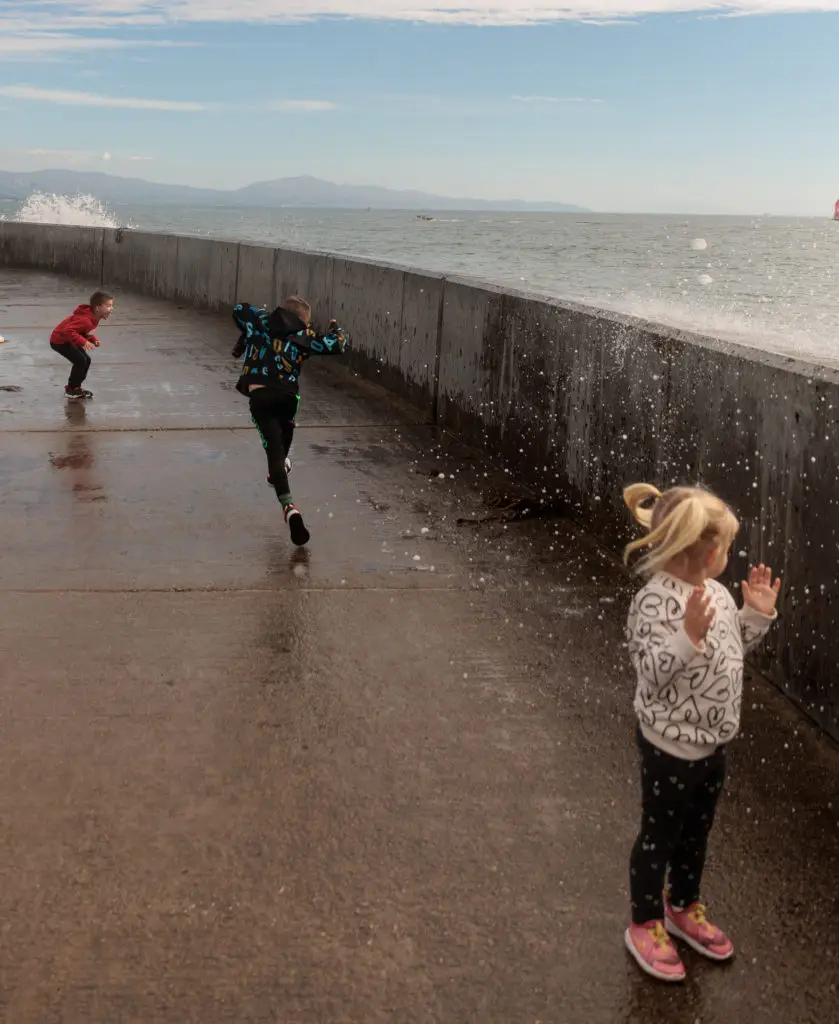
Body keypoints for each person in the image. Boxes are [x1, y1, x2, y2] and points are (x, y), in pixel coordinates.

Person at [622, 483, 781, 982]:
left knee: (696, 835)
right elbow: (652, 671)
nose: (729, 558)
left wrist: (753, 614)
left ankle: (683, 905)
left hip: (713, 746)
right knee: (659, 837)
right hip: (668, 747)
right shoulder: (652, 604)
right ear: (708, 552)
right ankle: (645, 920)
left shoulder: (713, 593)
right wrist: (686, 636)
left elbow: (730, 654)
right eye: (726, 548)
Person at [233, 295, 348, 547]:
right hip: (287, 398)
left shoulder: (258, 321)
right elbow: (338, 344)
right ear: (303, 320)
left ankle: (290, 508)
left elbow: (239, 308)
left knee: (273, 451)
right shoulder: (304, 336)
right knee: (282, 445)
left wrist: (258, 321)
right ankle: (280, 469)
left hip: (261, 396)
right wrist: (334, 327)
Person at [50, 291, 114, 400]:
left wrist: (93, 340)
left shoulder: (93, 318)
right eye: (108, 306)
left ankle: (75, 387)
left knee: (86, 360)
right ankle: (71, 390)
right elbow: (68, 331)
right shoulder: (86, 320)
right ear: (98, 308)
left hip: (69, 340)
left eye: (112, 306)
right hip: (59, 341)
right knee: (80, 361)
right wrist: (84, 342)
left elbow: (84, 332)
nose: (111, 308)